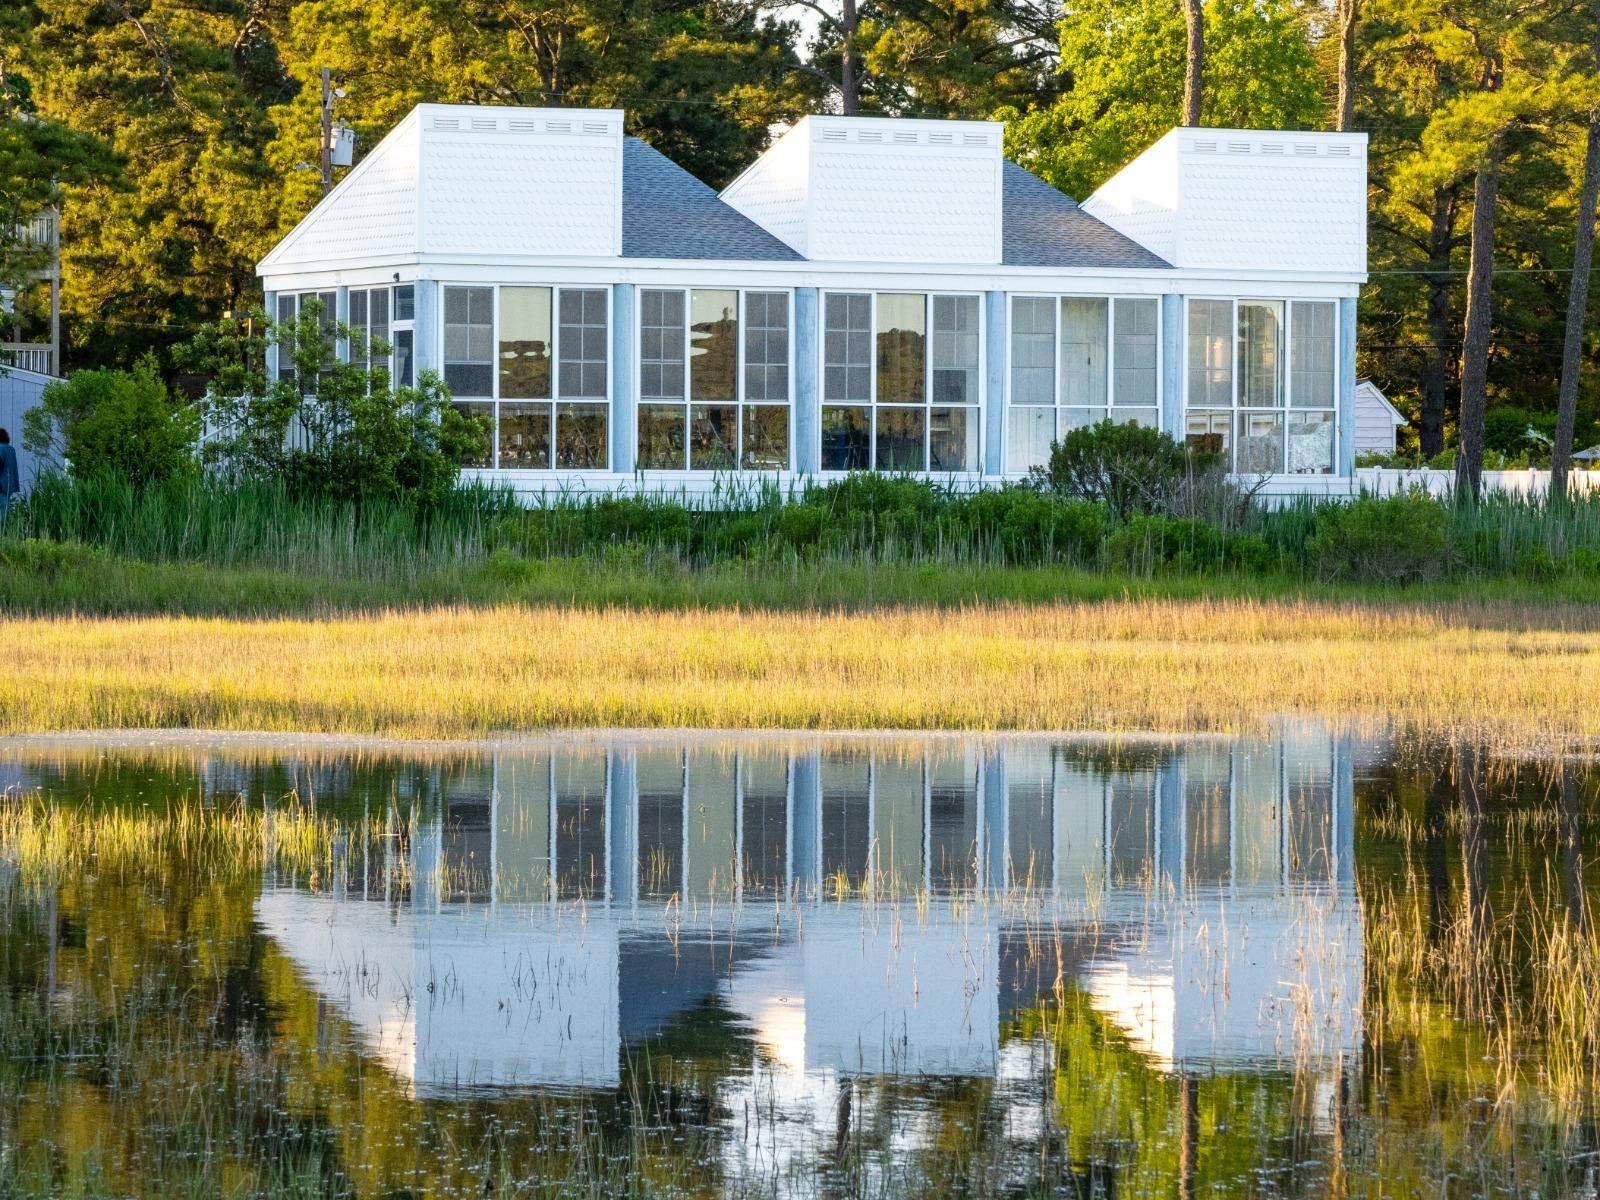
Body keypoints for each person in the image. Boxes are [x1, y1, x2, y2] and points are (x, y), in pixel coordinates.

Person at [0, 428, 20, 522]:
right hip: (8, 487)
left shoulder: (0, 449)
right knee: (5, 516)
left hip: (0, 486)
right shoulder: (11, 449)